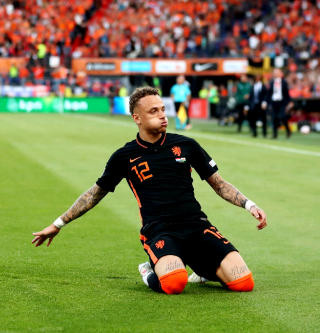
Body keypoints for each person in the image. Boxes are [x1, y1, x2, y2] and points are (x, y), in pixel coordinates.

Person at [32, 87, 268, 295]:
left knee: (244, 283)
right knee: (175, 283)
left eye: (163, 109)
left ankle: (202, 269)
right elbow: (94, 194)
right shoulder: (124, 156)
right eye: (153, 111)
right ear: (137, 118)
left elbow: (219, 183)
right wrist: (58, 223)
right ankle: (148, 271)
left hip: (197, 226)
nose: (162, 115)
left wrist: (250, 205)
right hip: (160, 231)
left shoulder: (187, 145)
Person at [267, 69, 292, 139]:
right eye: (274, 73)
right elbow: (269, 93)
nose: (275, 74)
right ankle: (275, 134)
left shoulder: (284, 82)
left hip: (281, 102)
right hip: (274, 102)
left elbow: (286, 93)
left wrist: (290, 101)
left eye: (277, 73)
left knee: (283, 117)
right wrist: (268, 102)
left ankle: (288, 130)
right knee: (274, 118)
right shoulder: (271, 82)